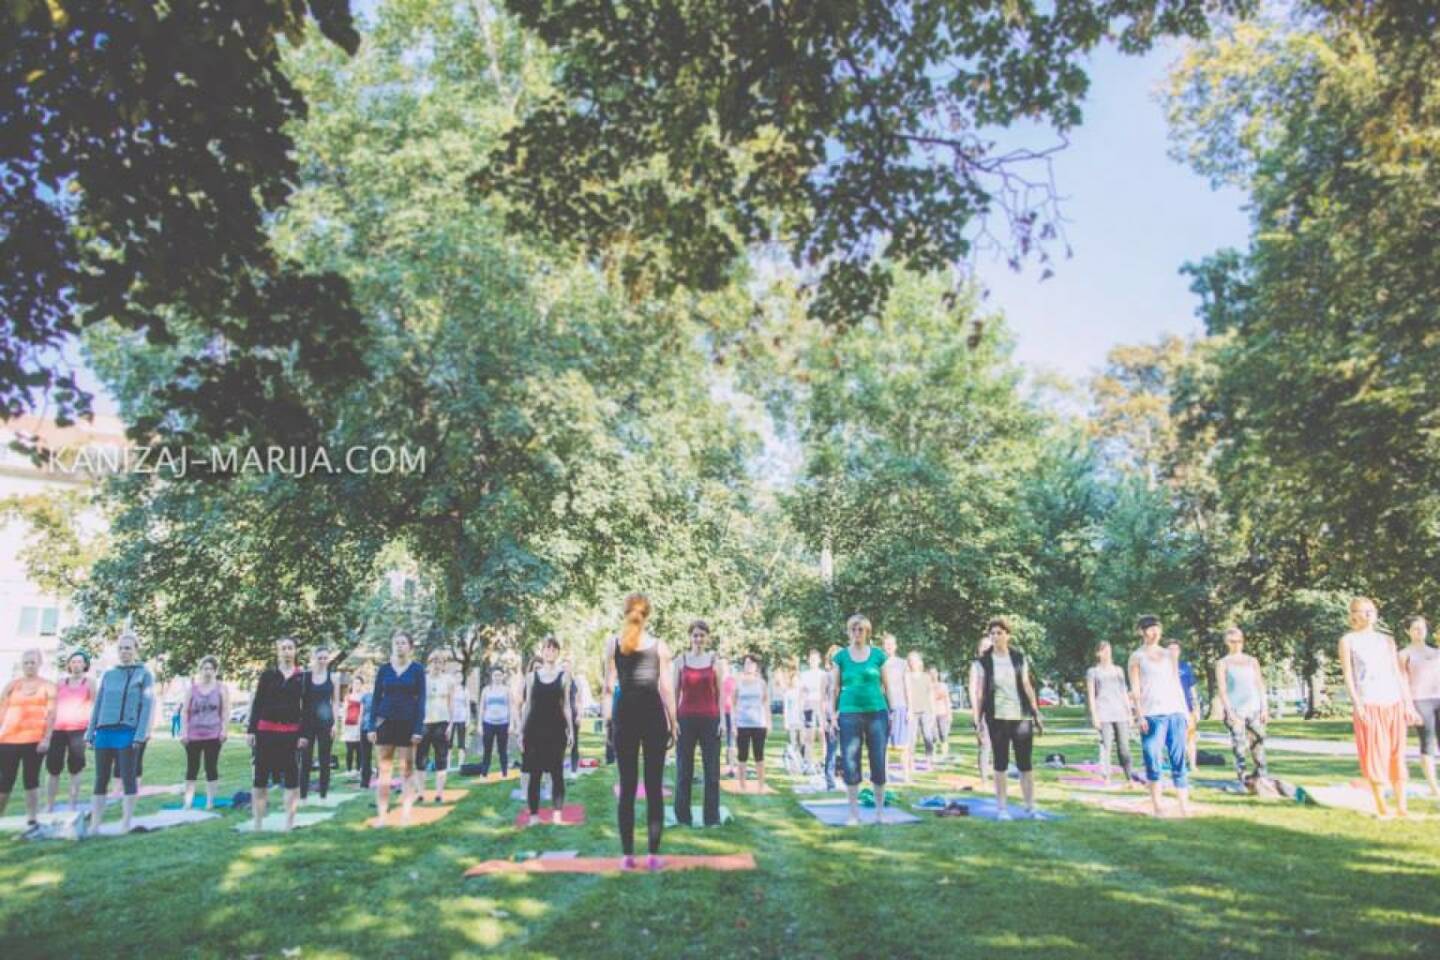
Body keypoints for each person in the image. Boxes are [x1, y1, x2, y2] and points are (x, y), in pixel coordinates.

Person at [605, 594, 676, 870]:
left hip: (625, 718)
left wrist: (608, 723)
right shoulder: (660, 646)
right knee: (654, 788)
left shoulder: (612, 645)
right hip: (652, 719)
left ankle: (627, 857)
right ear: (648, 615)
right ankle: (652, 856)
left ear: (626, 614)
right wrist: (673, 722)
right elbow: (667, 689)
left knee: (628, 787)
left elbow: (608, 688)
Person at [1339, 597, 1421, 818]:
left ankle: (1402, 808)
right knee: (1375, 756)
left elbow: (1398, 674)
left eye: (1371, 610)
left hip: (1393, 702)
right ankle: (1382, 807)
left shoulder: (1386, 641)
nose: (1367, 614)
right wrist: (1358, 705)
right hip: (1369, 703)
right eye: (1362, 611)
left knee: (1397, 755)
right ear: (1353, 615)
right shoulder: (1348, 640)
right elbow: (1348, 675)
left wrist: (1408, 705)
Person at [973, 618, 1045, 819]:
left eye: (999, 633)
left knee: (1025, 763)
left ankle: (1030, 806)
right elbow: (979, 693)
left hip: (1020, 715)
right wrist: (977, 720)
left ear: (1007, 635)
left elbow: (1027, 685)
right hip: (996, 717)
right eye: (992, 633)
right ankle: (1002, 808)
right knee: (1000, 762)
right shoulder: (983, 662)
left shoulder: (1019, 658)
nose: (995, 636)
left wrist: (1036, 711)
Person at [87, 632, 154, 835]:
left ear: (135, 650)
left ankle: (125, 822)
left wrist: (139, 735)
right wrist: (90, 732)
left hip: (127, 732)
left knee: (128, 778)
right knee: (101, 778)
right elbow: (98, 704)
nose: (124, 651)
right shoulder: (108, 674)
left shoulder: (144, 674)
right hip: (104, 732)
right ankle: (95, 824)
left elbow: (147, 706)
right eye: (121, 648)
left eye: (128, 648)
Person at [831, 615, 895, 825]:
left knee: (878, 760)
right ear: (849, 632)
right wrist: (833, 713)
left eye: (861, 630)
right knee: (850, 762)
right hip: (849, 713)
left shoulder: (878, 656)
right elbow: (835, 688)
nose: (857, 634)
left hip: (877, 712)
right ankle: (853, 813)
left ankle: (879, 813)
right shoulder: (840, 657)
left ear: (867, 632)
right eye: (853, 630)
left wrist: (892, 711)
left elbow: (887, 685)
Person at [1129, 616, 1192, 817]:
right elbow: (1136, 689)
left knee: (1178, 760)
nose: (1154, 632)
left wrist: (1185, 713)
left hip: (1174, 712)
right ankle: (1158, 806)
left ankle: (1184, 805)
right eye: (1150, 629)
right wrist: (1139, 716)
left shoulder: (1169, 654)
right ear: (1142, 632)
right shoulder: (1136, 657)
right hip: (1152, 715)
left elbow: (1176, 683)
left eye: (1157, 628)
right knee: (1153, 759)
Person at [246, 637, 310, 832]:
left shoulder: (303, 678)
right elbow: (257, 703)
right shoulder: (268, 676)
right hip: (266, 732)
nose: (287, 651)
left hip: (291, 734)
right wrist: (251, 730)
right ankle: (257, 824)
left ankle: (288, 824)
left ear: (295, 651)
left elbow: (307, 708)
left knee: (291, 779)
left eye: (290, 648)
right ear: (278, 652)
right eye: (283, 648)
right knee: (260, 778)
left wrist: (304, 734)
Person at [370, 632, 425, 825]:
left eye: (403, 643)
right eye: (396, 643)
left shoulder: (417, 669)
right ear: (392, 646)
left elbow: (421, 701)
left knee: (407, 771)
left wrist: (418, 729)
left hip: (408, 725)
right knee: (384, 771)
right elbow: (376, 698)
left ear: (410, 647)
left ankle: (406, 815)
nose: (399, 646)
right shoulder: (384, 670)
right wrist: (371, 726)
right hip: (385, 723)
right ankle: (382, 816)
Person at [673, 620, 723, 826]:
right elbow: (674, 693)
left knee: (711, 772)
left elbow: (720, 693)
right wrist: (673, 720)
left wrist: (721, 721)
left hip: (710, 720)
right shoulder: (680, 661)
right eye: (695, 635)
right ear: (690, 637)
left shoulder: (714, 661)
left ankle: (711, 818)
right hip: (685, 720)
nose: (698, 639)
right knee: (684, 771)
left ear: (707, 638)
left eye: (702, 635)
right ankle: (683, 817)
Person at [0, 648, 57, 829]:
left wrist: (46, 739)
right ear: (22, 665)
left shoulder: (48, 686)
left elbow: (51, 715)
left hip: (34, 741)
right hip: (8, 741)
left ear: (39, 664)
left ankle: (32, 819)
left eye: (33, 662)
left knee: (31, 780)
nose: (29, 665)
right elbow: (2, 711)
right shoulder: (11, 686)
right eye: (26, 662)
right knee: (4, 782)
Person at [520, 636, 572, 826]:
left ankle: (557, 815)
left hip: (556, 729)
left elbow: (566, 705)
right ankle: (534, 816)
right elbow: (527, 706)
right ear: (542, 652)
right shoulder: (532, 677)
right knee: (535, 774)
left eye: (553, 649)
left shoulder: (564, 676)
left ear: (558, 652)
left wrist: (571, 731)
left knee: (557, 773)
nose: (550, 652)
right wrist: (520, 731)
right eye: (546, 649)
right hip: (534, 729)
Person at [1215, 627, 1268, 785]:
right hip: (1235, 709)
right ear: (1227, 642)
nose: (1237, 644)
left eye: (1239, 641)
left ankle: (1262, 774)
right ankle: (1242, 774)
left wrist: (1264, 708)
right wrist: (1228, 710)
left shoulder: (1251, 661)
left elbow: (1259, 684)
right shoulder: (1223, 663)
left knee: (1258, 742)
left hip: (1254, 707)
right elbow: (1222, 689)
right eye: (1233, 641)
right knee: (1239, 744)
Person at [46, 650, 95, 813]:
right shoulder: (60, 682)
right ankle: (50, 805)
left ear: (85, 665)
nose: (76, 665)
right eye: (73, 662)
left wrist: (92, 731)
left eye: (79, 662)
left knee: (75, 769)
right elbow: (52, 707)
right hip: (58, 730)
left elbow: (94, 707)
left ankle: (72, 806)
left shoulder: (89, 683)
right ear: (69, 664)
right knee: (53, 769)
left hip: (79, 731)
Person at [180, 656, 230, 811]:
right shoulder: (192, 689)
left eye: (210, 669)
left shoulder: (221, 688)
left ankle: (210, 802)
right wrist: (184, 732)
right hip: (194, 734)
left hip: (213, 734)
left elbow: (226, 711)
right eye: (204, 668)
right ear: (200, 670)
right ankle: (188, 802)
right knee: (192, 768)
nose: (207, 671)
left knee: (211, 767)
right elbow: (185, 711)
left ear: (215, 671)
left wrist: (224, 730)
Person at [1398, 615, 1440, 797]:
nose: (1419, 631)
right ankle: (1434, 788)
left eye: (1422, 627)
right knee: (1428, 742)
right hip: (1420, 701)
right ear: (1408, 631)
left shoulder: (1436, 652)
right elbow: (1402, 682)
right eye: (1415, 628)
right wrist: (1408, 706)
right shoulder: (1404, 654)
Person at [1086, 641, 1137, 788]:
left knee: (1124, 747)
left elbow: (1123, 691)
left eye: (1109, 650)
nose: (1107, 653)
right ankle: (1106, 776)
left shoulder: (1118, 670)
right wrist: (1094, 715)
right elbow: (1091, 695)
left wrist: (1129, 713)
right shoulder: (1093, 672)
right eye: (1104, 651)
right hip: (1104, 713)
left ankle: (1129, 778)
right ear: (1098, 654)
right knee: (1106, 746)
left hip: (1120, 712)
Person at [415, 649, 457, 804]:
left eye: (440, 662)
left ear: (443, 665)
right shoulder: (422, 680)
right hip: (424, 723)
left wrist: (451, 724)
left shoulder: (449, 680)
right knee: (421, 759)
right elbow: (417, 702)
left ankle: (439, 793)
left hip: (442, 723)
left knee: (441, 758)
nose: (436, 665)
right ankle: (420, 793)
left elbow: (451, 703)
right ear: (429, 663)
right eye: (434, 661)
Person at [298, 647, 339, 801]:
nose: (322, 661)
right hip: (307, 722)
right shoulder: (305, 677)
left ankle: (323, 794)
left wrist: (335, 724)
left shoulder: (333, 677)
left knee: (325, 758)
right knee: (306, 759)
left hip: (326, 722)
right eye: (319, 658)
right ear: (314, 658)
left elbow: (335, 702)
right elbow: (300, 702)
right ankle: (302, 795)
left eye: (325, 658)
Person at [732, 655, 770, 794]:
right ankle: (742, 786)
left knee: (759, 755)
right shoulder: (738, 683)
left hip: (759, 724)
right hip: (742, 724)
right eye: (747, 663)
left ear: (756, 667)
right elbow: (733, 704)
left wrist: (768, 722)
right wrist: (734, 724)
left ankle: (761, 786)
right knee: (742, 756)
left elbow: (766, 703)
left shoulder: (761, 683)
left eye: (752, 664)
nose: (749, 666)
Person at [880, 633, 911, 783]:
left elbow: (908, 686)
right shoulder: (878, 663)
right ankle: (883, 775)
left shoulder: (902, 663)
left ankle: (906, 776)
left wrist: (910, 708)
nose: (889, 647)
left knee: (903, 744)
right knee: (882, 743)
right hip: (882, 707)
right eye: (886, 644)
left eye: (891, 644)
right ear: (883, 646)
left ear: (896, 646)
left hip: (900, 705)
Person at [1168, 641, 1201, 771]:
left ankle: (1192, 764)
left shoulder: (1185, 667)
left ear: (1179, 651)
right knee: (1174, 739)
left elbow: (1192, 688)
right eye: (1170, 649)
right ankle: (1177, 764)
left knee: (1191, 737)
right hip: (1169, 707)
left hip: (1187, 707)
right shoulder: (1162, 667)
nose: (1173, 652)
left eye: (1175, 649)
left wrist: (1196, 707)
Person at [478, 668, 514, 777]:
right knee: (487, 749)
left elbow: (511, 707)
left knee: (502, 749)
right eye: (495, 675)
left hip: (503, 723)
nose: (497, 677)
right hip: (488, 723)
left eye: (499, 675)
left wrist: (511, 724)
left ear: (503, 676)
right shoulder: (486, 690)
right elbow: (481, 708)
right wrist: (479, 725)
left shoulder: (507, 690)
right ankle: (484, 773)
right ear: (491, 677)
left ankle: (504, 773)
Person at [969, 636, 994, 786]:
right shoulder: (976, 666)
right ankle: (984, 777)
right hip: (983, 709)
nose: (985, 649)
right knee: (985, 744)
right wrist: (975, 712)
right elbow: (972, 690)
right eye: (982, 646)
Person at [799, 650, 826, 773]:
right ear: (809, 660)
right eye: (811, 659)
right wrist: (801, 707)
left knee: (822, 734)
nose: (813, 661)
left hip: (821, 707)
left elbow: (826, 692)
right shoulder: (804, 675)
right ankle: (807, 762)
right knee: (809, 736)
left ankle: (824, 761)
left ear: (819, 660)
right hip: (809, 706)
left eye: (815, 659)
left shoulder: (823, 674)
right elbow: (803, 692)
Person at [906, 651, 936, 765]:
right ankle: (910, 761)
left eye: (915, 660)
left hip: (926, 711)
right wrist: (909, 709)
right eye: (910, 661)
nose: (913, 663)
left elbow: (931, 694)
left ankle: (929, 760)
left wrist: (933, 711)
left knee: (927, 736)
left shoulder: (926, 677)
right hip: (912, 711)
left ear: (919, 662)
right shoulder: (907, 676)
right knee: (911, 738)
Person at [821, 646, 841, 790]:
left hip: (845, 714)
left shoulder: (846, 675)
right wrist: (824, 720)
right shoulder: (827, 676)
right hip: (830, 715)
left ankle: (848, 778)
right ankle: (830, 780)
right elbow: (822, 699)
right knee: (831, 749)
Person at [342, 672, 366, 775]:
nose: (357, 685)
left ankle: (358, 769)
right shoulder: (348, 697)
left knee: (359, 748)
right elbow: (344, 711)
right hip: (348, 725)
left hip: (358, 725)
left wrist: (360, 724)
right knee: (349, 749)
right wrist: (343, 726)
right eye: (355, 683)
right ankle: (348, 769)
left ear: (361, 685)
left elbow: (362, 711)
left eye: (359, 683)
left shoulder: (363, 697)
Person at [449, 659, 471, 770]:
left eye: (460, 677)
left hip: (462, 718)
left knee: (461, 742)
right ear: (453, 678)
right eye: (456, 677)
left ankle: (460, 764)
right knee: (449, 742)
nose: (458, 679)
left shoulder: (465, 690)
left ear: (462, 678)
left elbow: (467, 705)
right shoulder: (450, 689)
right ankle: (447, 765)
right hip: (451, 720)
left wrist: (468, 719)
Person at [781, 668, 805, 772]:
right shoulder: (788, 693)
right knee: (793, 743)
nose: (795, 682)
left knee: (802, 743)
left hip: (802, 722)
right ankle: (793, 764)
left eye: (797, 680)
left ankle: (802, 762)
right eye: (794, 680)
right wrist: (786, 722)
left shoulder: (803, 693)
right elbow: (785, 708)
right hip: (792, 722)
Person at [929, 667, 952, 761]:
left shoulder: (943, 685)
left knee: (943, 734)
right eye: (931, 673)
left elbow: (947, 700)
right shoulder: (928, 686)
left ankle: (944, 754)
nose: (933, 675)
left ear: (937, 674)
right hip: (931, 714)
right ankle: (933, 754)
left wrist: (949, 713)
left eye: (935, 673)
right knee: (933, 735)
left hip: (942, 713)